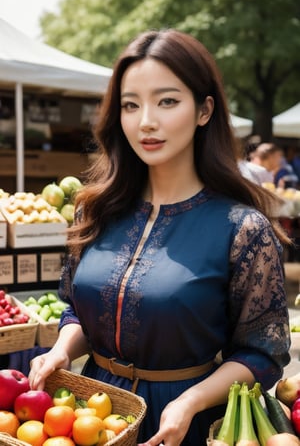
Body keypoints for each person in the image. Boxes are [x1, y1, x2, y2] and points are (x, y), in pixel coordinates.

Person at [29, 29, 291, 446]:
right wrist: (62, 350)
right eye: (131, 105)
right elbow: (76, 313)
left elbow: (262, 353)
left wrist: (190, 401)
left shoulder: (243, 229)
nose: (146, 120)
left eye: (167, 101)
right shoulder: (94, 209)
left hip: (183, 422)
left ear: (204, 110)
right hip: (91, 417)